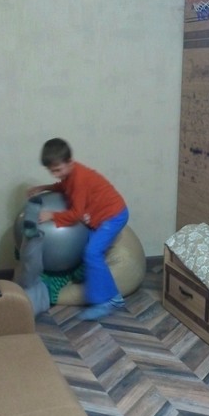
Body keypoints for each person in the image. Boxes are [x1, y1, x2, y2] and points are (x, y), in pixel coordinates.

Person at [27, 137, 129, 320]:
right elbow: (63, 185)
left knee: (92, 253)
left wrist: (51, 215)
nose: (55, 174)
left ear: (70, 162)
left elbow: (75, 214)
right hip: (98, 216)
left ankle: (106, 301)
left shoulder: (80, 179)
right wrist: (44, 187)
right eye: (51, 171)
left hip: (113, 215)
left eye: (58, 170)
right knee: (88, 248)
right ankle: (109, 293)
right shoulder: (70, 175)